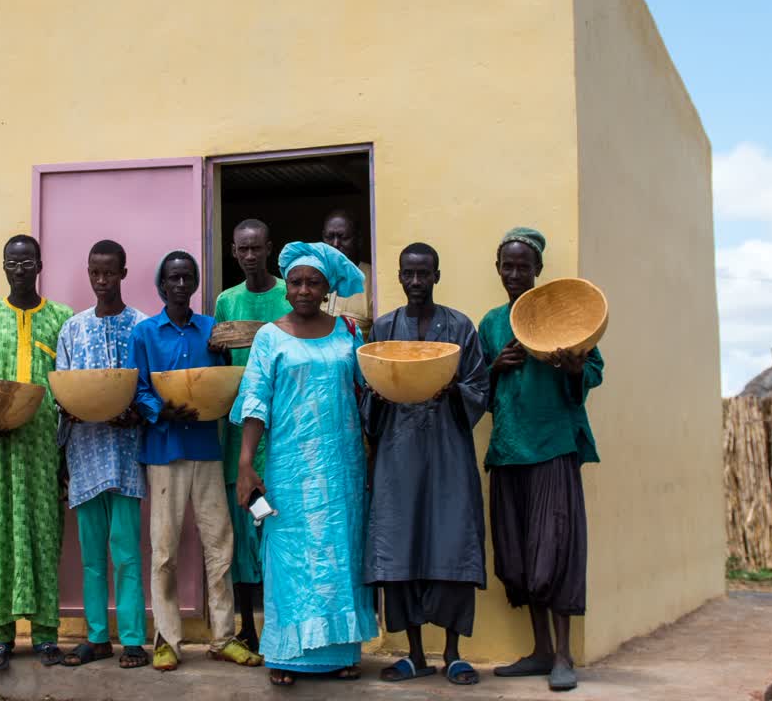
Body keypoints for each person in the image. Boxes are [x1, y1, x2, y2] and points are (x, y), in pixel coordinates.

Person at [233, 241, 380, 688]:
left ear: (326, 288)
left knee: (340, 553)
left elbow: (368, 390)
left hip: (342, 468)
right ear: (286, 286)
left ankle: (341, 651)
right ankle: (285, 654)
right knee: (289, 554)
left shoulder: (348, 333)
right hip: (289, 468)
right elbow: (256, 403)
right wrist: (245, 464)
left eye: (312, 282)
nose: (302, 290)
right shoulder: (269, 337)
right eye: (295, 281)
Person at [479, 227, 604, 693]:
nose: (515, 273)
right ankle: (539, 651)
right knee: (518, 556)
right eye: (507, 266)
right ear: (498, 270)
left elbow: (589, 374)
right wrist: (496, 368)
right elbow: (479, 393)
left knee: (556, 552)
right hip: (509, 451)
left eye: (523, 266)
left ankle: (564, 656)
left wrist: (572, 368)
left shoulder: (563, 314)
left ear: (538, 271)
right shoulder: (491, 324)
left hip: (553, 447)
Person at [363, 242, 490, 686]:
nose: (415, 282)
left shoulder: (460, 327)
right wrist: (377, 395)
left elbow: (480, 386)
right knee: (401, 545)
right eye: (408, 274)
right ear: (399, 276)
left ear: (437, 275)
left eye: (424, 274)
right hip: (398, 456)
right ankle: (414, 654)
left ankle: (453, 653)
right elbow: (367, 394)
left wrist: (452, 389)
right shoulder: (383, 329)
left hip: (448, 451)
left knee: (451, 542)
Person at [128, 250, 261, 672]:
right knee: (164, 550)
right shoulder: (145, 333)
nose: (181, 284)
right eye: (173, 278)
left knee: (220, 545)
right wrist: (159, 411)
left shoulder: (212, 332)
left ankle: (223, 637)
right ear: (161, 285)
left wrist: (220, 385)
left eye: (187, 277)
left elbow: (225, 384)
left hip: (206, 449)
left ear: (196, 282)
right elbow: (137, 387)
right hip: (164, 452)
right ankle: (166, 639)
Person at [0, 234, 74, 671]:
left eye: (28, 262)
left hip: (44, 447)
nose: (20, 269)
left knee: (44, 536)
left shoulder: (60, 318)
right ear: (3, 266)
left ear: (40, 265)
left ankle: (46, 635)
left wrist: (67, 449)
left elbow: (66, 387)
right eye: (13, 262)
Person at [54, 240, 150, 669]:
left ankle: (132, 638)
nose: (101, 280)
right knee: (91, 556)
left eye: (109, 272)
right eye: (95, 272)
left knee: (126, 552)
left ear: (124, 273)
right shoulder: (72, 329)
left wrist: (136, 413)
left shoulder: (141, 327)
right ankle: (96, 637)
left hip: (126, 456)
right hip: (85, 454)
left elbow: (150, 390)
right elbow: (61, 391)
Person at [213, 219, 292, 652]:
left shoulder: (289, 294)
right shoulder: (227, 302)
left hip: (281, 436)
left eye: (256, 248)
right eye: (242, 249)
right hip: (238, 436)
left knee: (278, 533)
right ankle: (247, 627)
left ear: (269, 249)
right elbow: (221, 363)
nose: (249, 256)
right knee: (242, 535)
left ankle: (281, 625)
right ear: (233, 250)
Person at [321, 209, 374, 337]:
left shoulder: (374, 280)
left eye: (343, 237)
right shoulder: (312, 275)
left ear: (359, 240)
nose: (335, 244)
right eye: (329, 237)